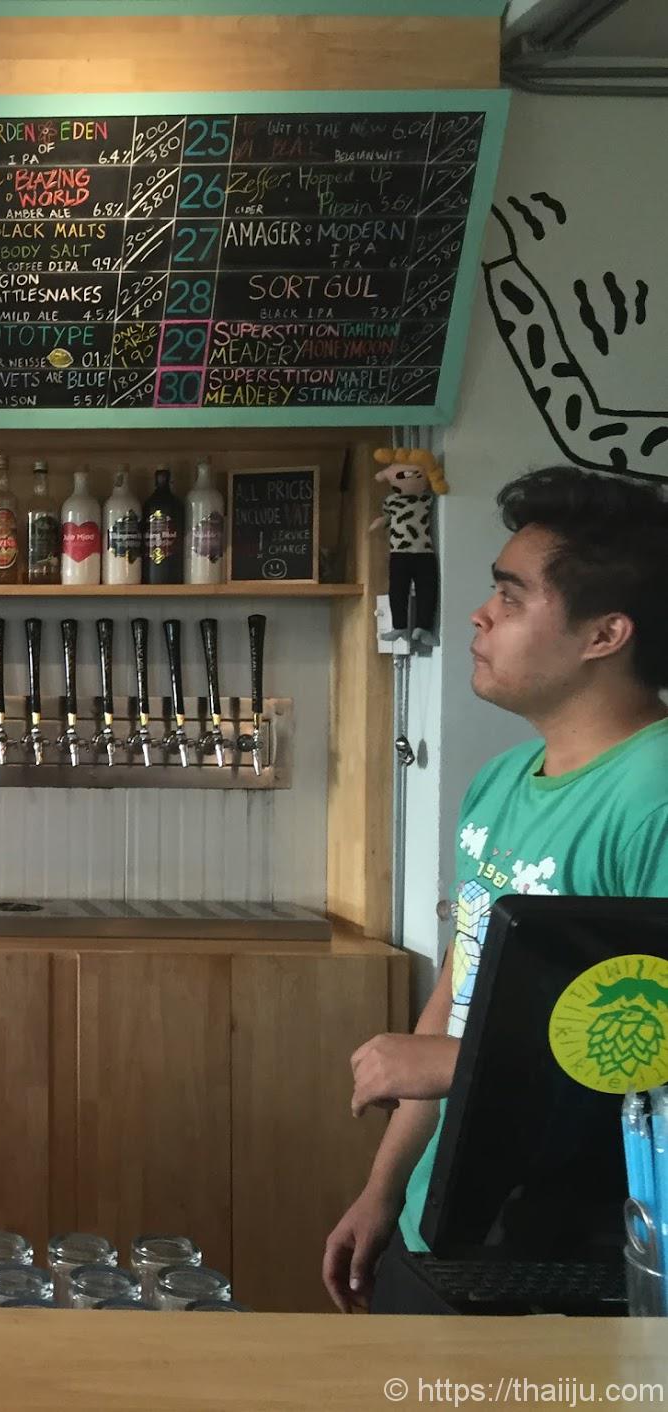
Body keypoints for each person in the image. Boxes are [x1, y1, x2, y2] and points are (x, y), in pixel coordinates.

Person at [323, 465, 668, 1312]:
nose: (479, 615)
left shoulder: (654, 794)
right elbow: (460, 990)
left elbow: (654, 1050)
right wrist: (384, 1189)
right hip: (447, 1218)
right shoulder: (500, 779)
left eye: (511, 597)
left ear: (604, 634)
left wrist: (464, 1064)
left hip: (581, 1244)